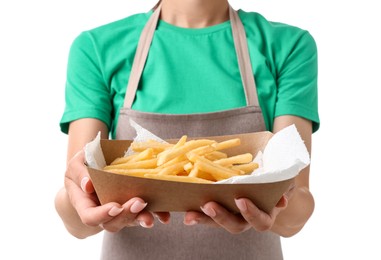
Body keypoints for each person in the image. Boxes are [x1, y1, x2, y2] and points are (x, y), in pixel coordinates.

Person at [55, 0, 319, 259]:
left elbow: (296, 212)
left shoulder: (288, 46)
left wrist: (271, 204)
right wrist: (80, 200)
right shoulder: (96, 48)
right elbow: (77, 216)